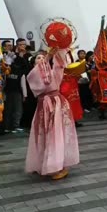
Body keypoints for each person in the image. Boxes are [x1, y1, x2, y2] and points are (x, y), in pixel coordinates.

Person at [25, 48, 79, 180]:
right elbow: (38, 80)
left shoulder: (52, 72)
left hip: (57, 105)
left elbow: (60, 66)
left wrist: (59, 50)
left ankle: (57, 165)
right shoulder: (33, 74)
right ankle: (42, 163)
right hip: (43, 106)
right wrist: (48, 56)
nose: (41, 59)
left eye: (42, 57)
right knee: (43, 134)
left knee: (56, 134)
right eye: (38, 58)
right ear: (33, 63)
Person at [60, 51, 84, 127]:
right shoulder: (57, 55)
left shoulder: (71, 54)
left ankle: (75, 119)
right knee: (66, 101)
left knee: (74, 100)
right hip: (64, 81)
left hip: (72, 80)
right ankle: (66, 120)